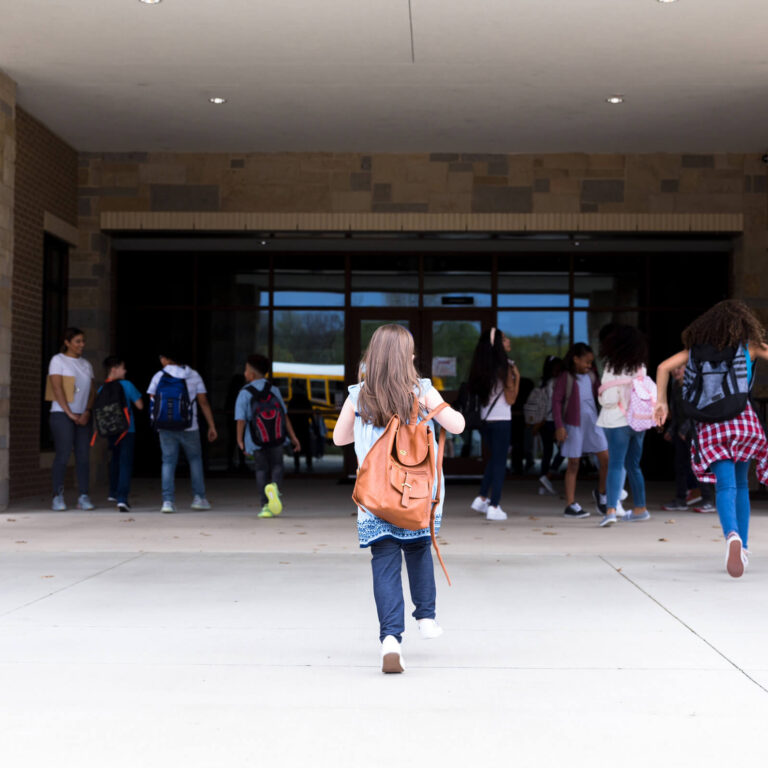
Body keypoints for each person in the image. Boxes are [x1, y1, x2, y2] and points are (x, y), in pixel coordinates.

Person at [332, 324, 465, 673]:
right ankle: (426, 617)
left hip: (376, 498)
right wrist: (431, 407)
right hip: (416, 495)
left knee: (385, 564)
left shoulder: (358, 395)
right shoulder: (421, 390)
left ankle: (390, 639)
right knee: (419, 549)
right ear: (406, 357)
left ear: (373, 357)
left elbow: (339, 439)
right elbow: (457, 425)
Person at [655, 300, 768, 578]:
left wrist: (662, 403)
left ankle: (731, 536)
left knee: (725, 486)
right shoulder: (750, 347)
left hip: (710, 426)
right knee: (742, 485)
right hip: (743, 422)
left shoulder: (694, 352)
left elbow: (662, 367)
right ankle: (744, 546)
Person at [147, 352, 218, 513]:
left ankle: (167, 502)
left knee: (168, 462)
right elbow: (203, 402)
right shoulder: (193, 375)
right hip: (189, 426)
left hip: (165, 427)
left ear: (167, 358)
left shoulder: (159, 376)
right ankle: (199, 498)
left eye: (161, 358)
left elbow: (153, 400)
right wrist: (211, 425)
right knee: (195, 460)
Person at [596, 325, 650, 526]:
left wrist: (603, 397)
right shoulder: (640, 367)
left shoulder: (612, 366)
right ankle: (640, 508)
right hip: (638, 421)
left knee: (615, 465)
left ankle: (610, 510)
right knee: (634, 466)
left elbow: (608, 399)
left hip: (616, 420)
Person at [235, 354, 301, 518]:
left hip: (257, 440)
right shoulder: (274, 390)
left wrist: (240, 440)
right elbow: (284, 416)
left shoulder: (244, 393)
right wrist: (293, 437)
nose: (244, 373)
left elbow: (241, 420)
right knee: (277, 465)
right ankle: (275, 488)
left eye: (245, 370)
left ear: (251, 374)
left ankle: (265, 506)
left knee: (261, 469)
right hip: (277, 438)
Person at [467, 327, 520, 520]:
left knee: (494, 459)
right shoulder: (505, 366)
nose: (508, 342)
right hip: (502, 420)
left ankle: (481, 498)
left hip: (485, 420)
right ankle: (495, 505)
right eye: (504, 339)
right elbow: (511, 398)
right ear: (497, 344)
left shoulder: (480, 367)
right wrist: (516, 375)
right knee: (499, 462)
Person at [552, 342, 608, 518]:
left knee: (606, 459)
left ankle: (601, 493)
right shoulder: (565, 377)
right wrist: (559, 426)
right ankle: (570, 504)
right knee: (573, 463)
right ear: (575, 359)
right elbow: (556, 402)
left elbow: (602, 393)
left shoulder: (592, 376)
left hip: (594, 423)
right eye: (586, 362)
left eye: (591, 362)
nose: (589, 366)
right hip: (573, 425)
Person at [48, 327, 96, 511]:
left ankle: (83, 496)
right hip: (62, 414)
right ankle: (57, 496)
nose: (81, 345)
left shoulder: (86, 364)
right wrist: (69, 413)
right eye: (77, 341)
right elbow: (57, 388)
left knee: (83, 456)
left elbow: (91, 391)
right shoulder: (58, 360)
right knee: (63, 453)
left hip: (83, 415)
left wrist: (87, 411)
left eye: (83, 341)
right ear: (67, 342)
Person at [661, 363, 716, 513]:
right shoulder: (675, 386)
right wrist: (672, 430)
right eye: (674, 368)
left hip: (694, 432)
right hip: (680, 432)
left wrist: (685, 429)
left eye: (680, 367)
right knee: (680, 466)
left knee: (698, 465)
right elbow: (676, 412)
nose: (676, 371)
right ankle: (680, 499)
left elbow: (696, 409)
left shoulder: (693, 386)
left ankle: (707, 500)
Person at [101, 356, 143, 512]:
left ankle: (112, 492)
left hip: (111, 432)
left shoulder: (102, 388)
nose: (125, 371)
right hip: (127, 430)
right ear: (114, 369)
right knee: (125, 463)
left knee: (115, 461)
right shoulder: (127, 385)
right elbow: (139, 405)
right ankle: (122, 499)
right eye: (123, 368)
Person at [535, 355, 564, 496]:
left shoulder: (543, 383)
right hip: (553, 421)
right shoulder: (556, 383)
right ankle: (548, 476)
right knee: (564, 449)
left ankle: (543, 481)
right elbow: (556, 404)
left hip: (544, 421)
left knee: (547, 453)